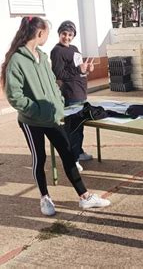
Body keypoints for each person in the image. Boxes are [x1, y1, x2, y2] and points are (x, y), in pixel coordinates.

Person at [1, 16, 110, 216]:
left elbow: (53, 84)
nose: (47, 37)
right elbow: (14, 96)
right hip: (31, 120)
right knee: (39, 158)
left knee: (68, 154)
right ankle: (45, 198)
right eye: (47, 33)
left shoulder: (42, 57)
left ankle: (84, 197)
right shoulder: (16, 60)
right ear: (39, 33)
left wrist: (58, 104)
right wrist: (37, 110)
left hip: (52, 117)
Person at [50, 20, 94, 172]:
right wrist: (78, 70)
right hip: (70, 93)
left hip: (81, 90)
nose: (67, 37)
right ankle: (72, 159)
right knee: (72, 128)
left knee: (79, 126)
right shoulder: (57, 51)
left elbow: (79, 69)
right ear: (59, 34)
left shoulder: (74, 48)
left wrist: (87, 69)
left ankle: (79, 152)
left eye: (70, 35)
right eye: (64, 34)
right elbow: (59, 73)